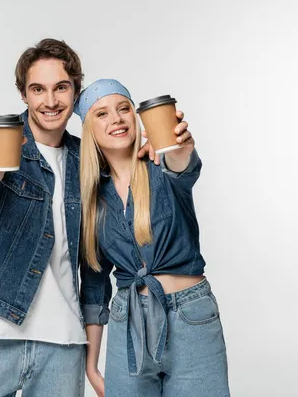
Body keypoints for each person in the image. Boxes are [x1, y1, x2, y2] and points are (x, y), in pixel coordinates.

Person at [0, 40, 156, 397]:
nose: (49, 101)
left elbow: (95, 269)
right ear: (23, 95)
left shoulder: (89, 162)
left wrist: (92, 361)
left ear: (75, 92)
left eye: (61, 87)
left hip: (64, 345)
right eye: (37, 90)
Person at [77, 79, 230, 396]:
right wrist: (91, 366)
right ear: (88, 129)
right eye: (102, 114)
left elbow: (183, 166)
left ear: (135, 116)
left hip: (191, 317)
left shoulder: (160, 161)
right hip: (127, 322)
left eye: (123, 109)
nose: (117, 119)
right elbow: (94, 283)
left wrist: (181, 147)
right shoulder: (90, 200)